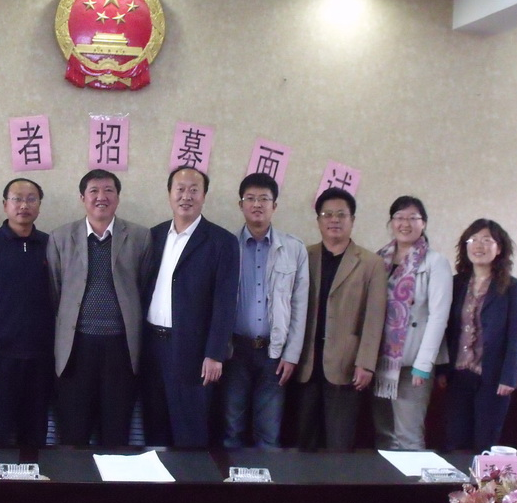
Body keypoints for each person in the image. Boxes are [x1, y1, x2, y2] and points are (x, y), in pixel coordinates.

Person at [47, 169, 152, 446]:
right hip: (75, 348)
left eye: (108, 190)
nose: (101, 197)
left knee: (115, 432)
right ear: (82, 198)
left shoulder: (140, 237)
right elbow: (55, 291)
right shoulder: (60, 237)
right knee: (74, 432)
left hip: (121, 348)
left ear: (118, 197)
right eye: (93, 191)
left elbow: (143, 289)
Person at [141, 166, 239, 447]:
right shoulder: (154, 235)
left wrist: (215, 353)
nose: (186, 196)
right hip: (152, 347)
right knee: (154, 428)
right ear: (169, 194)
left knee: (190, 432)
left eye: (194, 190)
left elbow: (225, 302)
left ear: (204, 196)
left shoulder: (222, 242)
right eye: (180, 189)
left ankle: (191, 477)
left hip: (193, 351)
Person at [295, 187, 386, 451]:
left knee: (339, 445)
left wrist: (366, 363)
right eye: (327, 214)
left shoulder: (371, 263)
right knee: (303, 442)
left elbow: (374, 317)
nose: (334, 220)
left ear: (352, 220)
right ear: (318, 220)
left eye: (341, 214)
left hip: (346, 365)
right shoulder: (304, 256)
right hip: (306, 363)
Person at [223, 173, 308, 449]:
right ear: (241, 205)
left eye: (264, 199)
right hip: (235, 351)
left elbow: (300, 306)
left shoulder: (294, 249)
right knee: (232, 428)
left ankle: (267, 478)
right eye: (250, 198)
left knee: (269, 432)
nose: (257, 204)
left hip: (274, 353)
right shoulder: (226, 246)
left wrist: (291, 354)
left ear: (275, 205)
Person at [0, 178, 54, 447]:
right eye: (17, 199)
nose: (24, 205)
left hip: (40, 358)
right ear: (5, 205)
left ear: (39, 205)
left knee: (35, 434)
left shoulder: (50, 245)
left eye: (31, 199)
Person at [372, 196, 452, 450]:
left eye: (412, 218)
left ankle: (413, 478)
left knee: (408, 437)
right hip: (381, 362)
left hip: (412, 364)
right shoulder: (379, 259)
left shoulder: (435, 262)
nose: (405, 223)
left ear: (423, 223)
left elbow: (438, 317)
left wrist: (423, 364)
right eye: (399, 217)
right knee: (384, 435)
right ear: (391, 222)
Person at [440, 219, 517, 452]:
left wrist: (509, 377)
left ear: (499, 248)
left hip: (493, 378)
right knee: (454, 441)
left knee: (484, 443)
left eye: (487, 240)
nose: (479, 245)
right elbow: (445, 329)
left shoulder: (511, 287)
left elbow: (515, 335)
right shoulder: (456, 284)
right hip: (458, 374)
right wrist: (442, 369)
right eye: (473, 240)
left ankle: (481, 479)